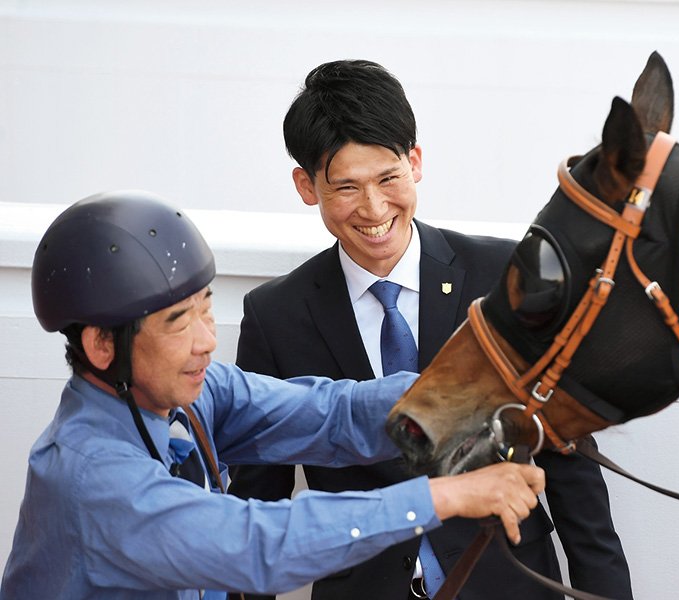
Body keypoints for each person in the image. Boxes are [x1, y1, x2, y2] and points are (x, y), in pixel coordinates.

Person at [0, 191, 546, 600]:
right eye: (176, 322)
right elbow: (260, 544)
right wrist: (449, 496)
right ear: (101, 345)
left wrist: (476, 392)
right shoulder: (91, 475)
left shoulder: (189, 395)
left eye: (206, 308)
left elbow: (330, 415)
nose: (207, 340)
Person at [227, 60, 633, 600]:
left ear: (415, 161)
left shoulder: (504, 277)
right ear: (306, 185)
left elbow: (571, 468)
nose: (373, 209)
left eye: (388, 178)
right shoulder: (275, 315)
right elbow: (258, 504)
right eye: (346, 186)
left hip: (511, 584)